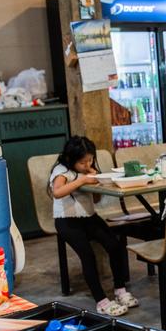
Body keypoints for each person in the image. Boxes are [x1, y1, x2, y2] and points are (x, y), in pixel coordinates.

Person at [49, 136, 135, 317]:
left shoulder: (88, 170)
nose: (87, 164)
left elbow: (95, 198)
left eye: (90, 159)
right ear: (70, 159)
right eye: (82, 162)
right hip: (67, 221)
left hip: (89, 217)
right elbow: (57, 192)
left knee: (114, 245)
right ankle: (101, 301)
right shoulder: (61, 171)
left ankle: (120, 290)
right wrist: (81, 180)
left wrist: (96, 181)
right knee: (88, 256)